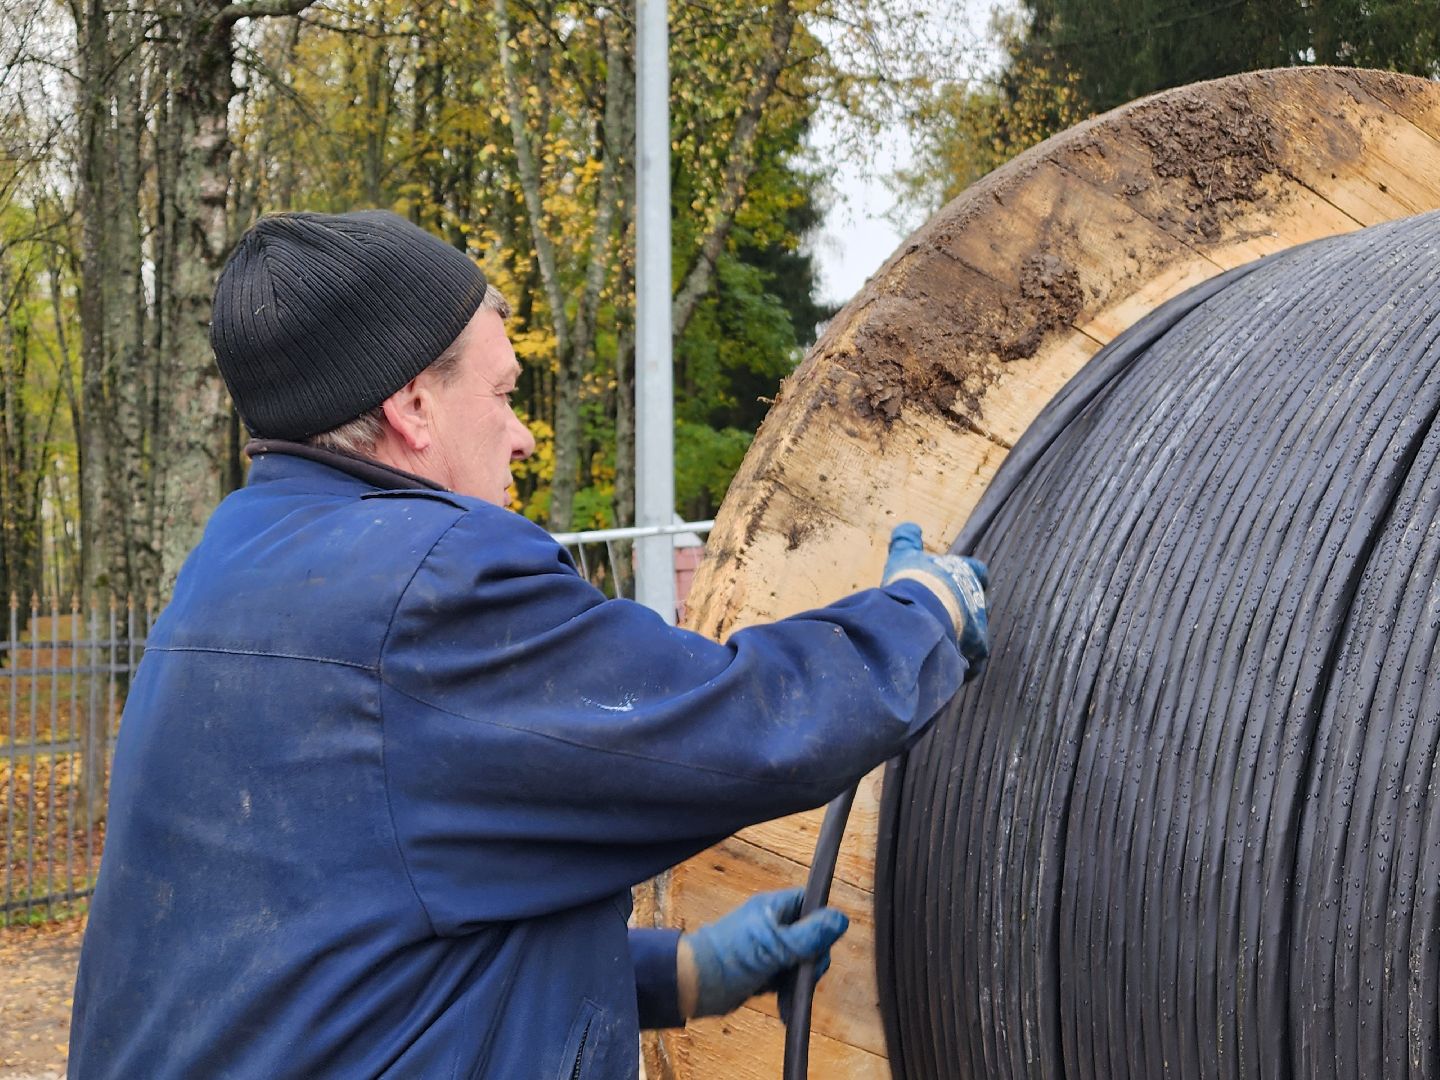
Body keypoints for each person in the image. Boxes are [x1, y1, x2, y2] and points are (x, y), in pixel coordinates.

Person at [68, 210, 990, 1079]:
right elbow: (744, 728)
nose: (521, 436)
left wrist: (679, 975)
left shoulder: (232, 567)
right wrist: (921, 615)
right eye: (503, 394)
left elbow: (332, 943)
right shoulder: (431, 584)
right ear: (414, 408)